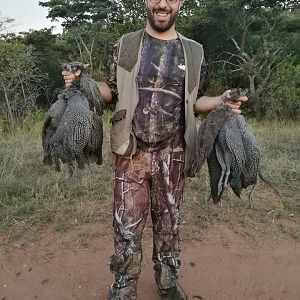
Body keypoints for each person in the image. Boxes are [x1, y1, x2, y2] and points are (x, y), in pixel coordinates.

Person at [62, 0, 247, 299]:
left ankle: (167, 284)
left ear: (181, 2)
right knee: (126, 227)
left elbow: (195, 102)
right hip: (130, 152)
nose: (163, 4)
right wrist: (82, 84)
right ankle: (123, 287)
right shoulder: (127, 44)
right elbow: (111, 90)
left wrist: (222, 100)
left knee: (169, 223)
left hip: (174, 153)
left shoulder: (195, 51)